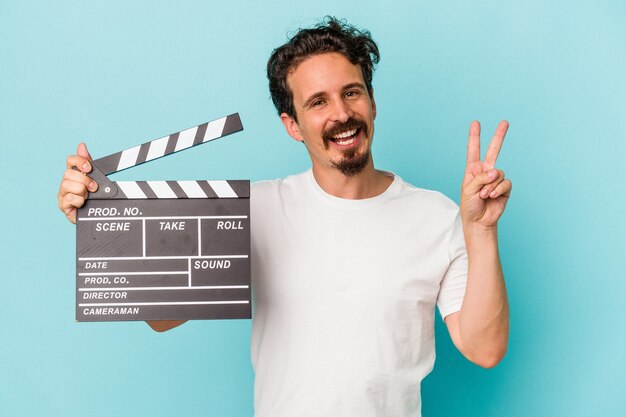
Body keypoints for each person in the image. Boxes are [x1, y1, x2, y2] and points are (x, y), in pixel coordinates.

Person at [58, 17, 511, 417]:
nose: (341, 114)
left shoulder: (436, 215)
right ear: (292, 125)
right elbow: (163, 318)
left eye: (351, 93)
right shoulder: (256, 210)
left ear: (372, 103)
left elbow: (484, 348)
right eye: (317, 102)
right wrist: (103, 223)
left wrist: (482, 230)